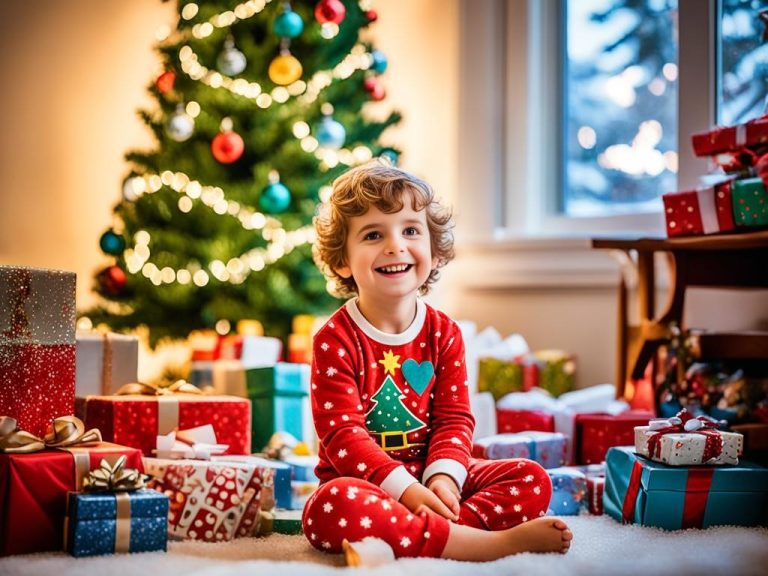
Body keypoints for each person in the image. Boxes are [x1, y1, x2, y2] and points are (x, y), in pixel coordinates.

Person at [303, 161, 572, 561]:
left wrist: (444, 478)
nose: (395, 245)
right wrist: (407, 492)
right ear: (342, 260)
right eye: (374, 234)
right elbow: (343, 437)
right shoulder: (334, 339)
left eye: (411, 230)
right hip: (366, 486)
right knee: (329, 509)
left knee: (531, 478)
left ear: (433, 247)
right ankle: (484, 546)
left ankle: (435, 533)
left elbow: (454, 419)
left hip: (434, 476)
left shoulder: (445, 333)